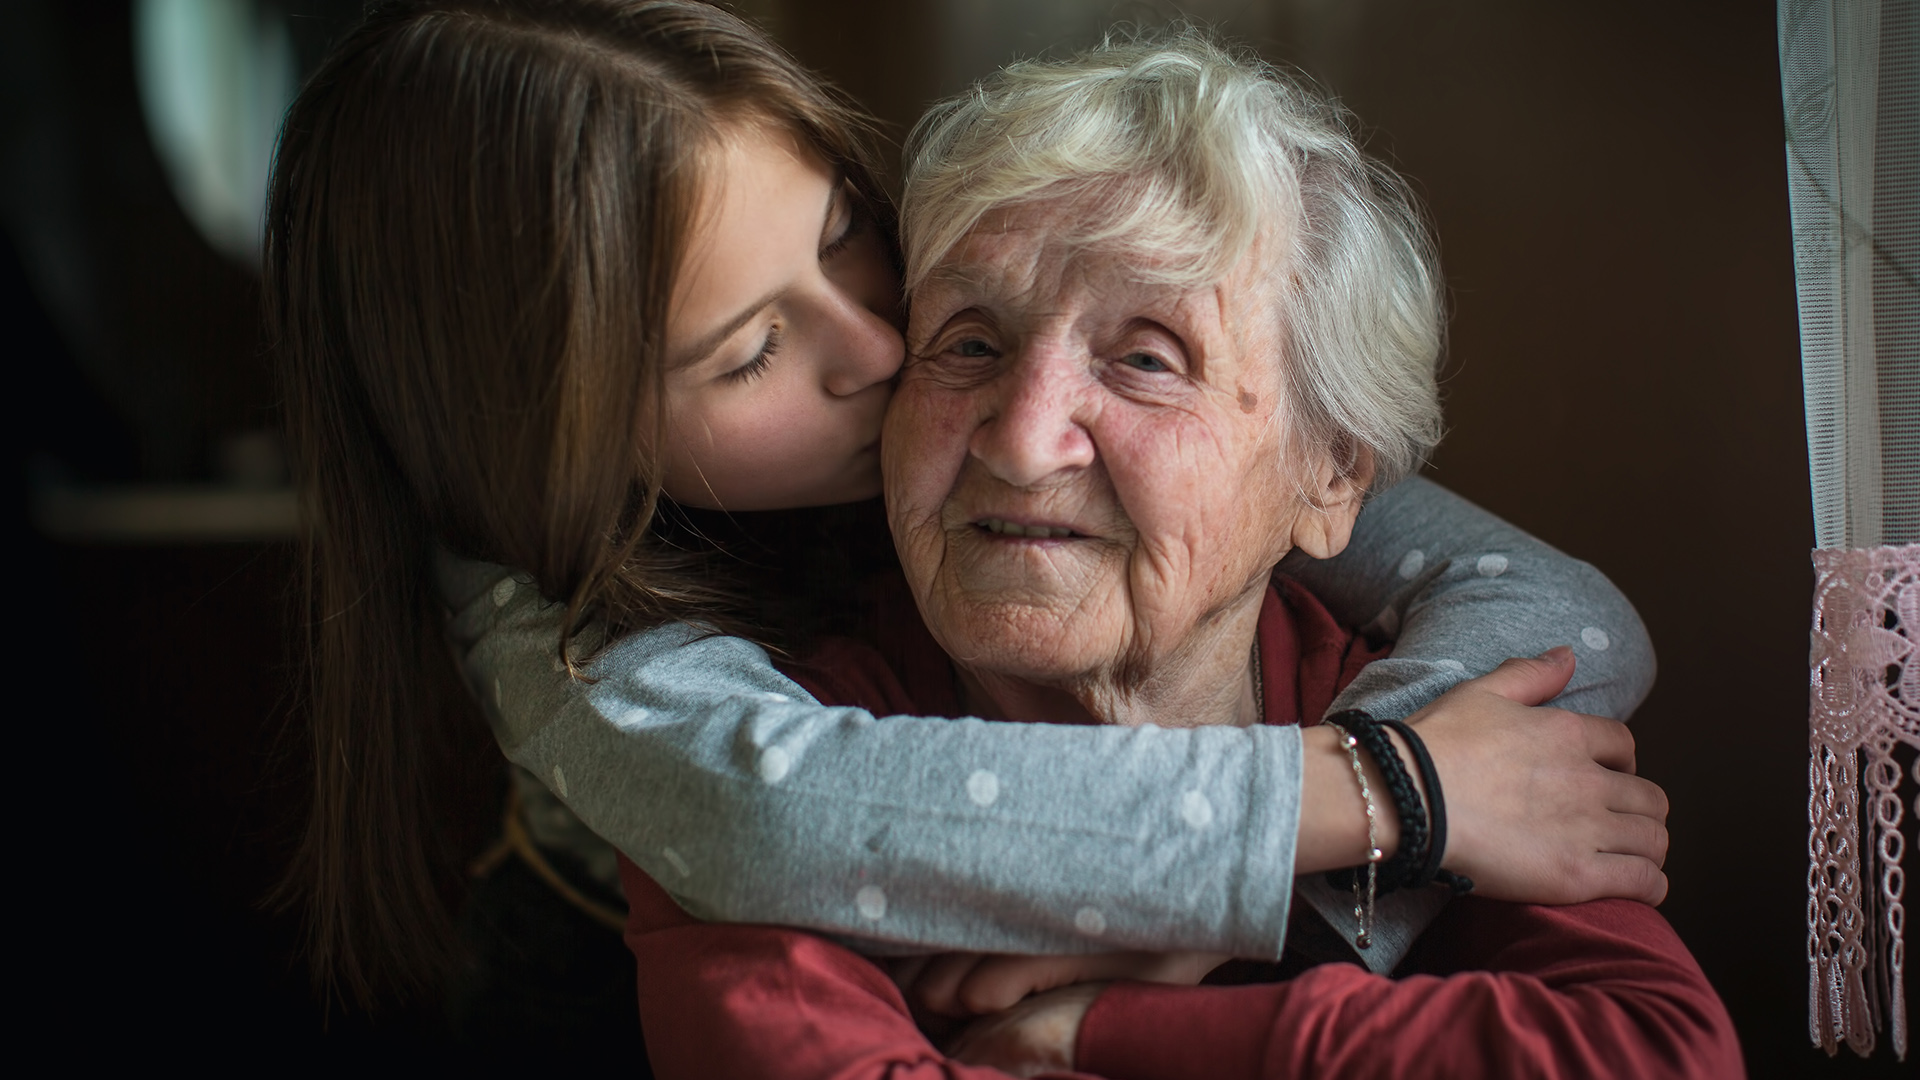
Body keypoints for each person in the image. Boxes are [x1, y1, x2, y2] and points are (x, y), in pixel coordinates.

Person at [267, 0, 1665, 1027]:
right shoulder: (565, 629)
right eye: (749, 351)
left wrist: (1313, 893)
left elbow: (1564, 618)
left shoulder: (1210, 461)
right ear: (558, 445)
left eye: (844, 241)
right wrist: (1387, 798)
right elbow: (776, 824)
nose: (882, 350)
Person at [615, 31, 1738, 1079]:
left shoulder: (1439, 715)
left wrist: (1106, 1029)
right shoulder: (776, 759)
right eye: (967, 342)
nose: (1019, 438)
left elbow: (1656, 1054)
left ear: (1332, 476)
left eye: (1147, 360)